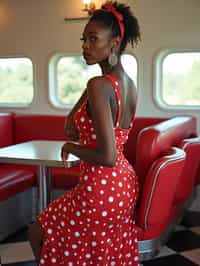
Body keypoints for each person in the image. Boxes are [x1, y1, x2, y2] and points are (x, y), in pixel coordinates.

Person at [29, 1, 141, 265]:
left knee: (38, 231)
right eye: (84, 39)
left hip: (100, 186)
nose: (85, 46)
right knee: (99, 253)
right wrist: (74, 114)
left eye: (93, 39)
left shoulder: (99, 86)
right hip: (123, 185)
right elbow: (104, 140)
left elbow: (107, 155)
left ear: (114, 42)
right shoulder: (127, 83)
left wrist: (70, 148)